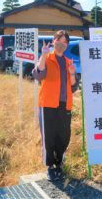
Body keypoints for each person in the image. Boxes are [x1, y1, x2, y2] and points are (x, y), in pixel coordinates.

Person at [32, 30, 79, 181]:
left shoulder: (68, 62)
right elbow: (38, 74)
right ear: (53, 41)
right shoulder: (48, 58)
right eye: (59, 40)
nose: (61, 44)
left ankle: (59, 163)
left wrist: (72, 73)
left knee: (64, 135)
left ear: (67, 44)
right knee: (49, 136)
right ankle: (50, 167)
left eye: (64, 42)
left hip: (64, 105)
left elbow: (73, 87)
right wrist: (44, 54)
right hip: (48, 104)